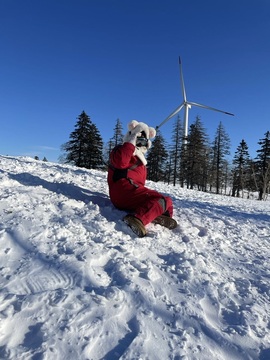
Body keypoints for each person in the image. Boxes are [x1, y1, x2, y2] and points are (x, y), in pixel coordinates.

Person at [107, 120, 177, 237]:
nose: (140, 144)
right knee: (162, 199)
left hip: (129, 194)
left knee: (167, 203)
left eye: (144, 141)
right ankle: (136, 219)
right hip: (122, 192)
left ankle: (158, 214)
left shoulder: (140, 160)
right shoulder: (121, 150)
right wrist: (130, 143)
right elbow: (120, 162)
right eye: (138, 139)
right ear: (131, 136)